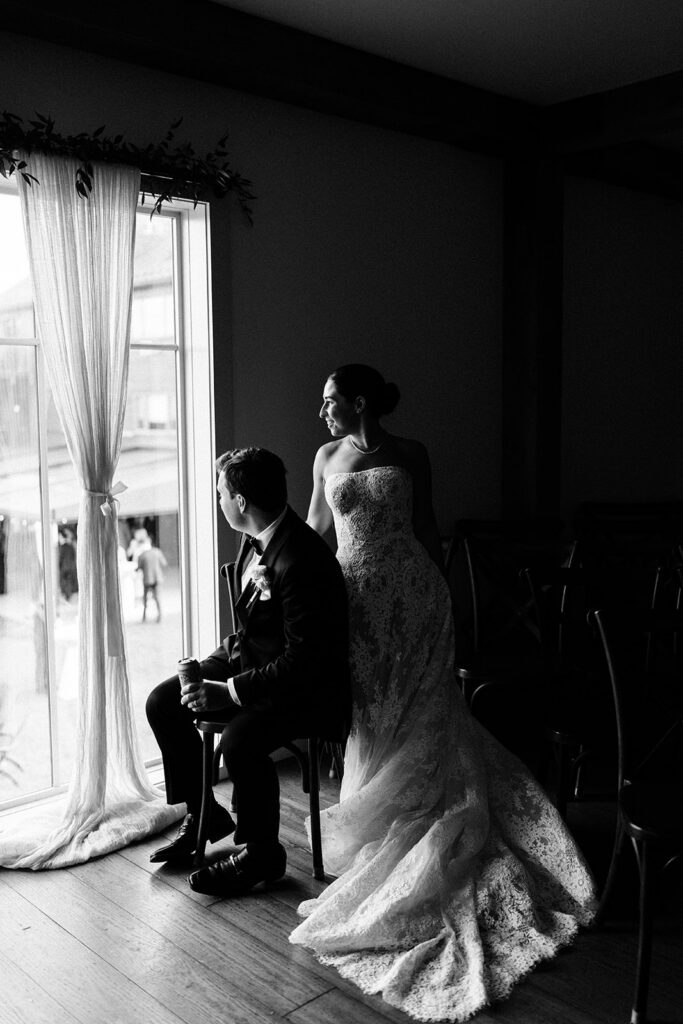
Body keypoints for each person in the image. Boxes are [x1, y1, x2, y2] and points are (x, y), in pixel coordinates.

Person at [289, 365, 597, 1023]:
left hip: (415, 596)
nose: (321, 411)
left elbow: (425, 527)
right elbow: (316, 532)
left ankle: (425, 807)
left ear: (359, 402)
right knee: (373, 711)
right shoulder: (324, 457)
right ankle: (376, 818)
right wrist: (283, 578)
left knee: (423, 710)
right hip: (356, 603)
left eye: (330, 400)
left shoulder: (411, 452)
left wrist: (446, 599)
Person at [146, 447, 350, 897]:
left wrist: (230, 691)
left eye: (220, 493)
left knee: (240, 739)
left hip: (304, 687)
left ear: (241, 501)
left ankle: (263, 854)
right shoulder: (254, 534)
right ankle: (204, 814)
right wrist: (216, 669)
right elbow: (253, 628)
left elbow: (303, 663)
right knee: (163, 701)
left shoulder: (302, 559)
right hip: (249, 658)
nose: (217, 500)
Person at [137, 538, 168, 622]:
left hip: (147, 579)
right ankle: (160, 616)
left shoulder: (142, 555)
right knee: (158, 597)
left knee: (145, 599)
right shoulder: (157, 552)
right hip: (158, 578)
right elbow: (164, 563)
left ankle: (144, 616)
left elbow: (139, 567)